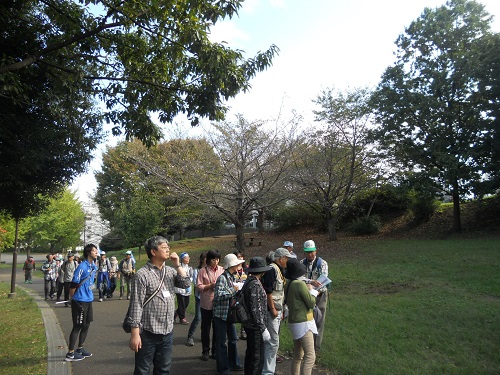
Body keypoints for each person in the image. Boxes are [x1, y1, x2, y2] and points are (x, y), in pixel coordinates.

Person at [128, 235, 190, 375]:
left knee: (163, 369)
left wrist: (177, 265)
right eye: (164, 247)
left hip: (167, 331)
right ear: (153, 252)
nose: (168, 249)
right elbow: (136, 305)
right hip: (148, 332)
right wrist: (135, 334)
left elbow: (186, 284)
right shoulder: (142, 274)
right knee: (142, 370)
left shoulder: (170, 271)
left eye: (168, 247)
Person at [261, 247, 294, 374]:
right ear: (281, 258)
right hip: (272, 311)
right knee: (272, 342)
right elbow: (268, 291)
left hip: (278, 309)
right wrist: (273, 309)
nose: (288, 261)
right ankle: (267, 372)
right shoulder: (271, 270)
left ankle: (270, 368)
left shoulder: (280, 270)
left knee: (274, 341)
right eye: (287, 258)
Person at [65, 243, 98, 361]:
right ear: (89, 253)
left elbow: (91, 282)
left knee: (86, 324)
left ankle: (80, 348)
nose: (96, 253)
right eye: (94, 251)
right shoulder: (82, 267)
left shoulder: (93, 266)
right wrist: (73, 299)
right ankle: (70, 353)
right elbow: (73, 284)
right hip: (79, 301)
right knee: (77, 325)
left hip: (89, 299)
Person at [213, 253, 245, 374]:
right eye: (237, 263)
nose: (239, 265)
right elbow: (218, 295)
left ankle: (234, 363)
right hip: (221, 315)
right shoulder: (222, 278)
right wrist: (234, 290)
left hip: (229, 314)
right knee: (221, 343)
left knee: (233, 339)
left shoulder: (232, 277)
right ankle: (223, 368)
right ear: (232, 265)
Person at [285, 258, 318, 375]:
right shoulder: (300, 285)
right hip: (303, 322)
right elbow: (311, 303)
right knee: (310, 356)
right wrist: (313, 291)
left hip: (293, 321)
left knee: (298, 355)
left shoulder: (289, 283)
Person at [242, 257, 272, 374]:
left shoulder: (249, 281)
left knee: (251, 355)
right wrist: (263, 328)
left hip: (250, 324)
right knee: (256, 358)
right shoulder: (255, 284)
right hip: (255, 327)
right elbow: (256, 308)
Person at [301, 239, 329, 352]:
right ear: (304, 252)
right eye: (308, 252)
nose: (310, 254)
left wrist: (314, 289)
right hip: (306, 295)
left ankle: (316, 347)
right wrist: (310, 283)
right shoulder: (301, 263)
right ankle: (306, 345)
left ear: (316, 250)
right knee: (306, 319)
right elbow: (300, 279)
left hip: (320, 295)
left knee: (320, 319)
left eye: (312, 251)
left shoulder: (322, 263)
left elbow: (323, 281)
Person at [197, 249, 224, 361]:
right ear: (208, 260)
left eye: (217, 259)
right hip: (206, 303)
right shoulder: (203, 271)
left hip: (219, 303)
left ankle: (215, 351)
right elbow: (199, 286)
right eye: (213, 259)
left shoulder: (222, 270)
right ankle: (205, 351)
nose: (216, 261)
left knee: (217, 328)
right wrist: (209, 286)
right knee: (206, 328)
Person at [186, 252, 206, 347]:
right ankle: (190, 336)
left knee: (207, 318)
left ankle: (204, 335)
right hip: (199, 297)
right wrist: (209, 286)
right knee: (198, 317)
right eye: (206, 258)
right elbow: (197, 285)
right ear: (202, 259)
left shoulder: (210, 270)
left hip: (209, 298)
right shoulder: (196, 271)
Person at [174, 252, 193, 325]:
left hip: (187, 288)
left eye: (188, 257)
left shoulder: (189, 268)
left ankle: (176, 314)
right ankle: (182, 318)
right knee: (181, 304)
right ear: (182, 259)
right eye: (186, 258)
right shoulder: (179, 267)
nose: (188, 259)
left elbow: (190, 277)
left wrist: (188, 282)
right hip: (180, 289)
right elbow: (178, 277)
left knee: (186, 303)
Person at [232, 249, 247, 340]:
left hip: (244, 293)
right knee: (233, 312)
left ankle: (243, 332)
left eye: (241, 256)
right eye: (238, 257)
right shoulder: (232, 269)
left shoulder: (247, 269)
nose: (240, 258)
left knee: (244, 312)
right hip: (234, 293)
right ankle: (233, 333)